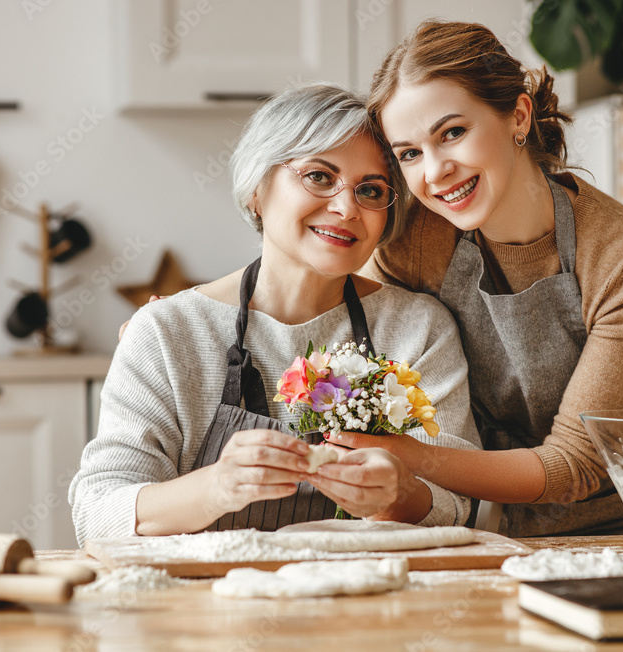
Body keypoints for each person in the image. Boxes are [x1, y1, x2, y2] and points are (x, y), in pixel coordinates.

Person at [70, 83, 480, 546]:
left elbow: (459, 505)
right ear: (257, 190)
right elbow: (98, 514)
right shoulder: (167, 333)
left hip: (367, 603)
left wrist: (401, 496)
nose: (347, 208)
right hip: (206, 608)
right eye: (320, 177)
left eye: (370, 190)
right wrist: (216, 487)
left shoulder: (418, 330)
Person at [333, 20, 623, 538]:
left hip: (621, 528)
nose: (434, 172)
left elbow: (574, 465)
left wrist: (408, 455)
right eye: (409, 153)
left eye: (453, 133)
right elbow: (331, 307)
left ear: (518, 116)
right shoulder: (417, 240)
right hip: (473, 524)